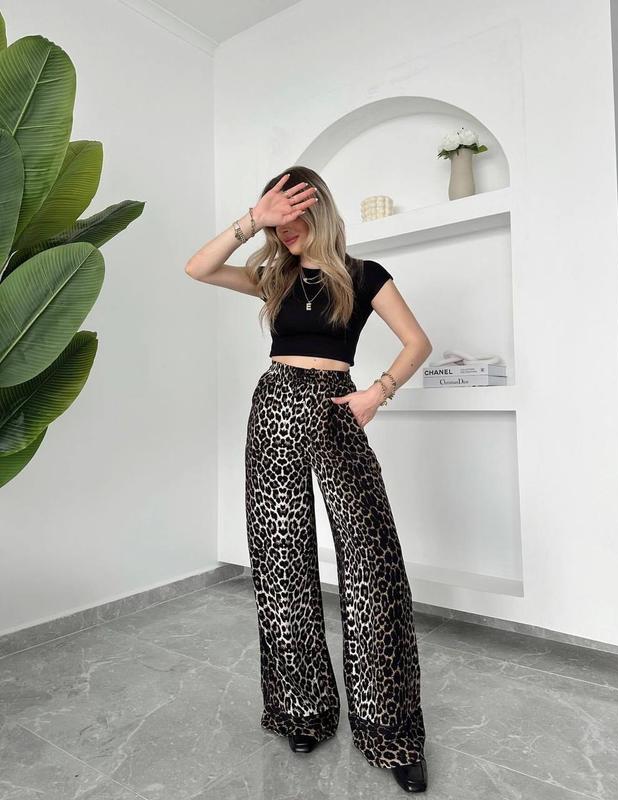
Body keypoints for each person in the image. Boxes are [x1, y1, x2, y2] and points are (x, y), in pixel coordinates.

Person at [185, 165, 433, 793]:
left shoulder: (364, 275)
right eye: (277, 215)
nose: (285, 228)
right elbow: (198, 268)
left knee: (371, 560)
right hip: (274, 404)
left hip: (336, 405)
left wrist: (378, 391)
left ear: (318, 210)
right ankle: (303, 709)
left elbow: (416, 342)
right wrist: (253, 220)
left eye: (293, 213)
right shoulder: (275, 277)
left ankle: (390, 730)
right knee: (281, 562)